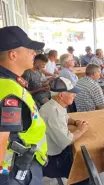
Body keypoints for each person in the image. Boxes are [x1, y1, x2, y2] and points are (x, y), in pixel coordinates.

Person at [0, 26, 48, 185]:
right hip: (17, 170)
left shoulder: (9, 82)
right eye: (29, 50)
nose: (34, 53)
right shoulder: (9, 90)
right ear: (13, 55)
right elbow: (1, 138)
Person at [40, 77, 89, 185]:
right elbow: (66, 140)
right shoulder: (53, 112)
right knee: (83, 175)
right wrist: (81, 130)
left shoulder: (55, 104)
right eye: (72, 93)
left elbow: (65, 117)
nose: (75, 95)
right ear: (61, 95)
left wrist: (75, 122)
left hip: (56, 152)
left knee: (82, 160)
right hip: (53, 159)